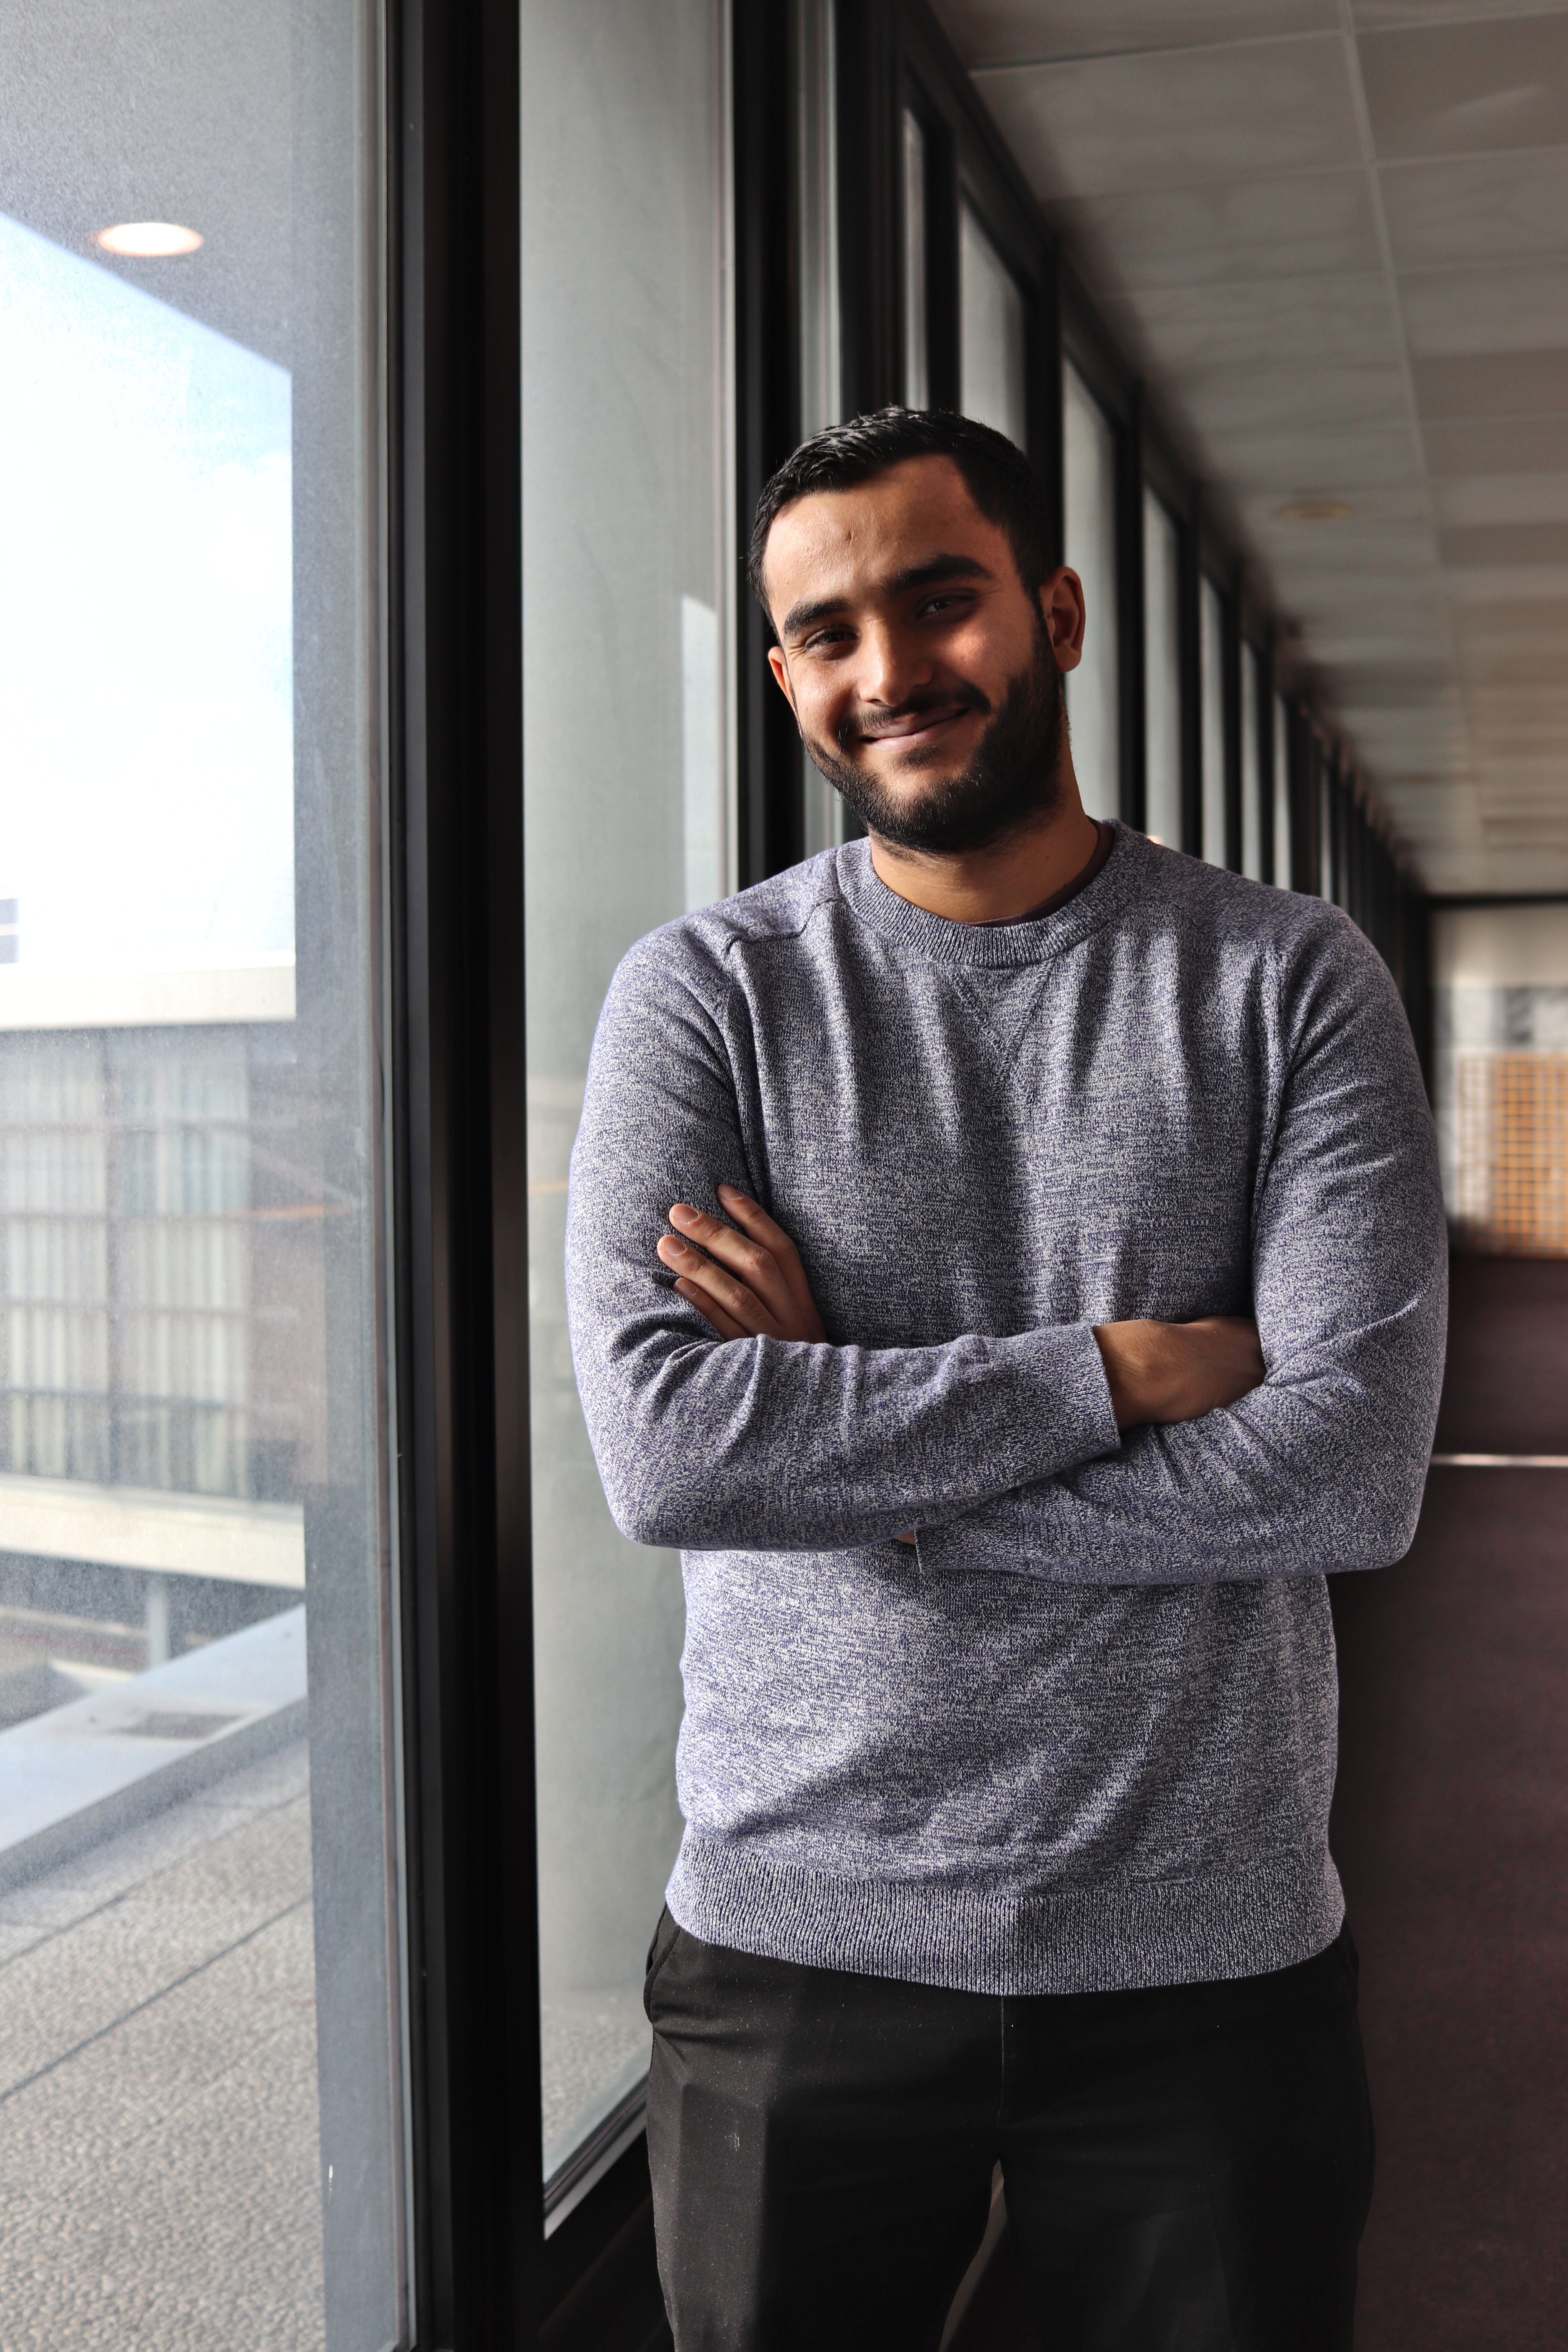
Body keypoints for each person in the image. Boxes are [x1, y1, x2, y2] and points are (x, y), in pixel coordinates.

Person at [566, 407, 1446, 2350]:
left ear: (1051, 612)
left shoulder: (1288, 984)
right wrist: (1110, 1372)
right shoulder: (706, 996)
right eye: (826, 632)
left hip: (1202, 1948)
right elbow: (668, 1451)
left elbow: (1347, 1474)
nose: (889, 674)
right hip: (798, 1939)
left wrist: (842, 1427)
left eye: (939, 601)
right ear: (785, 671)